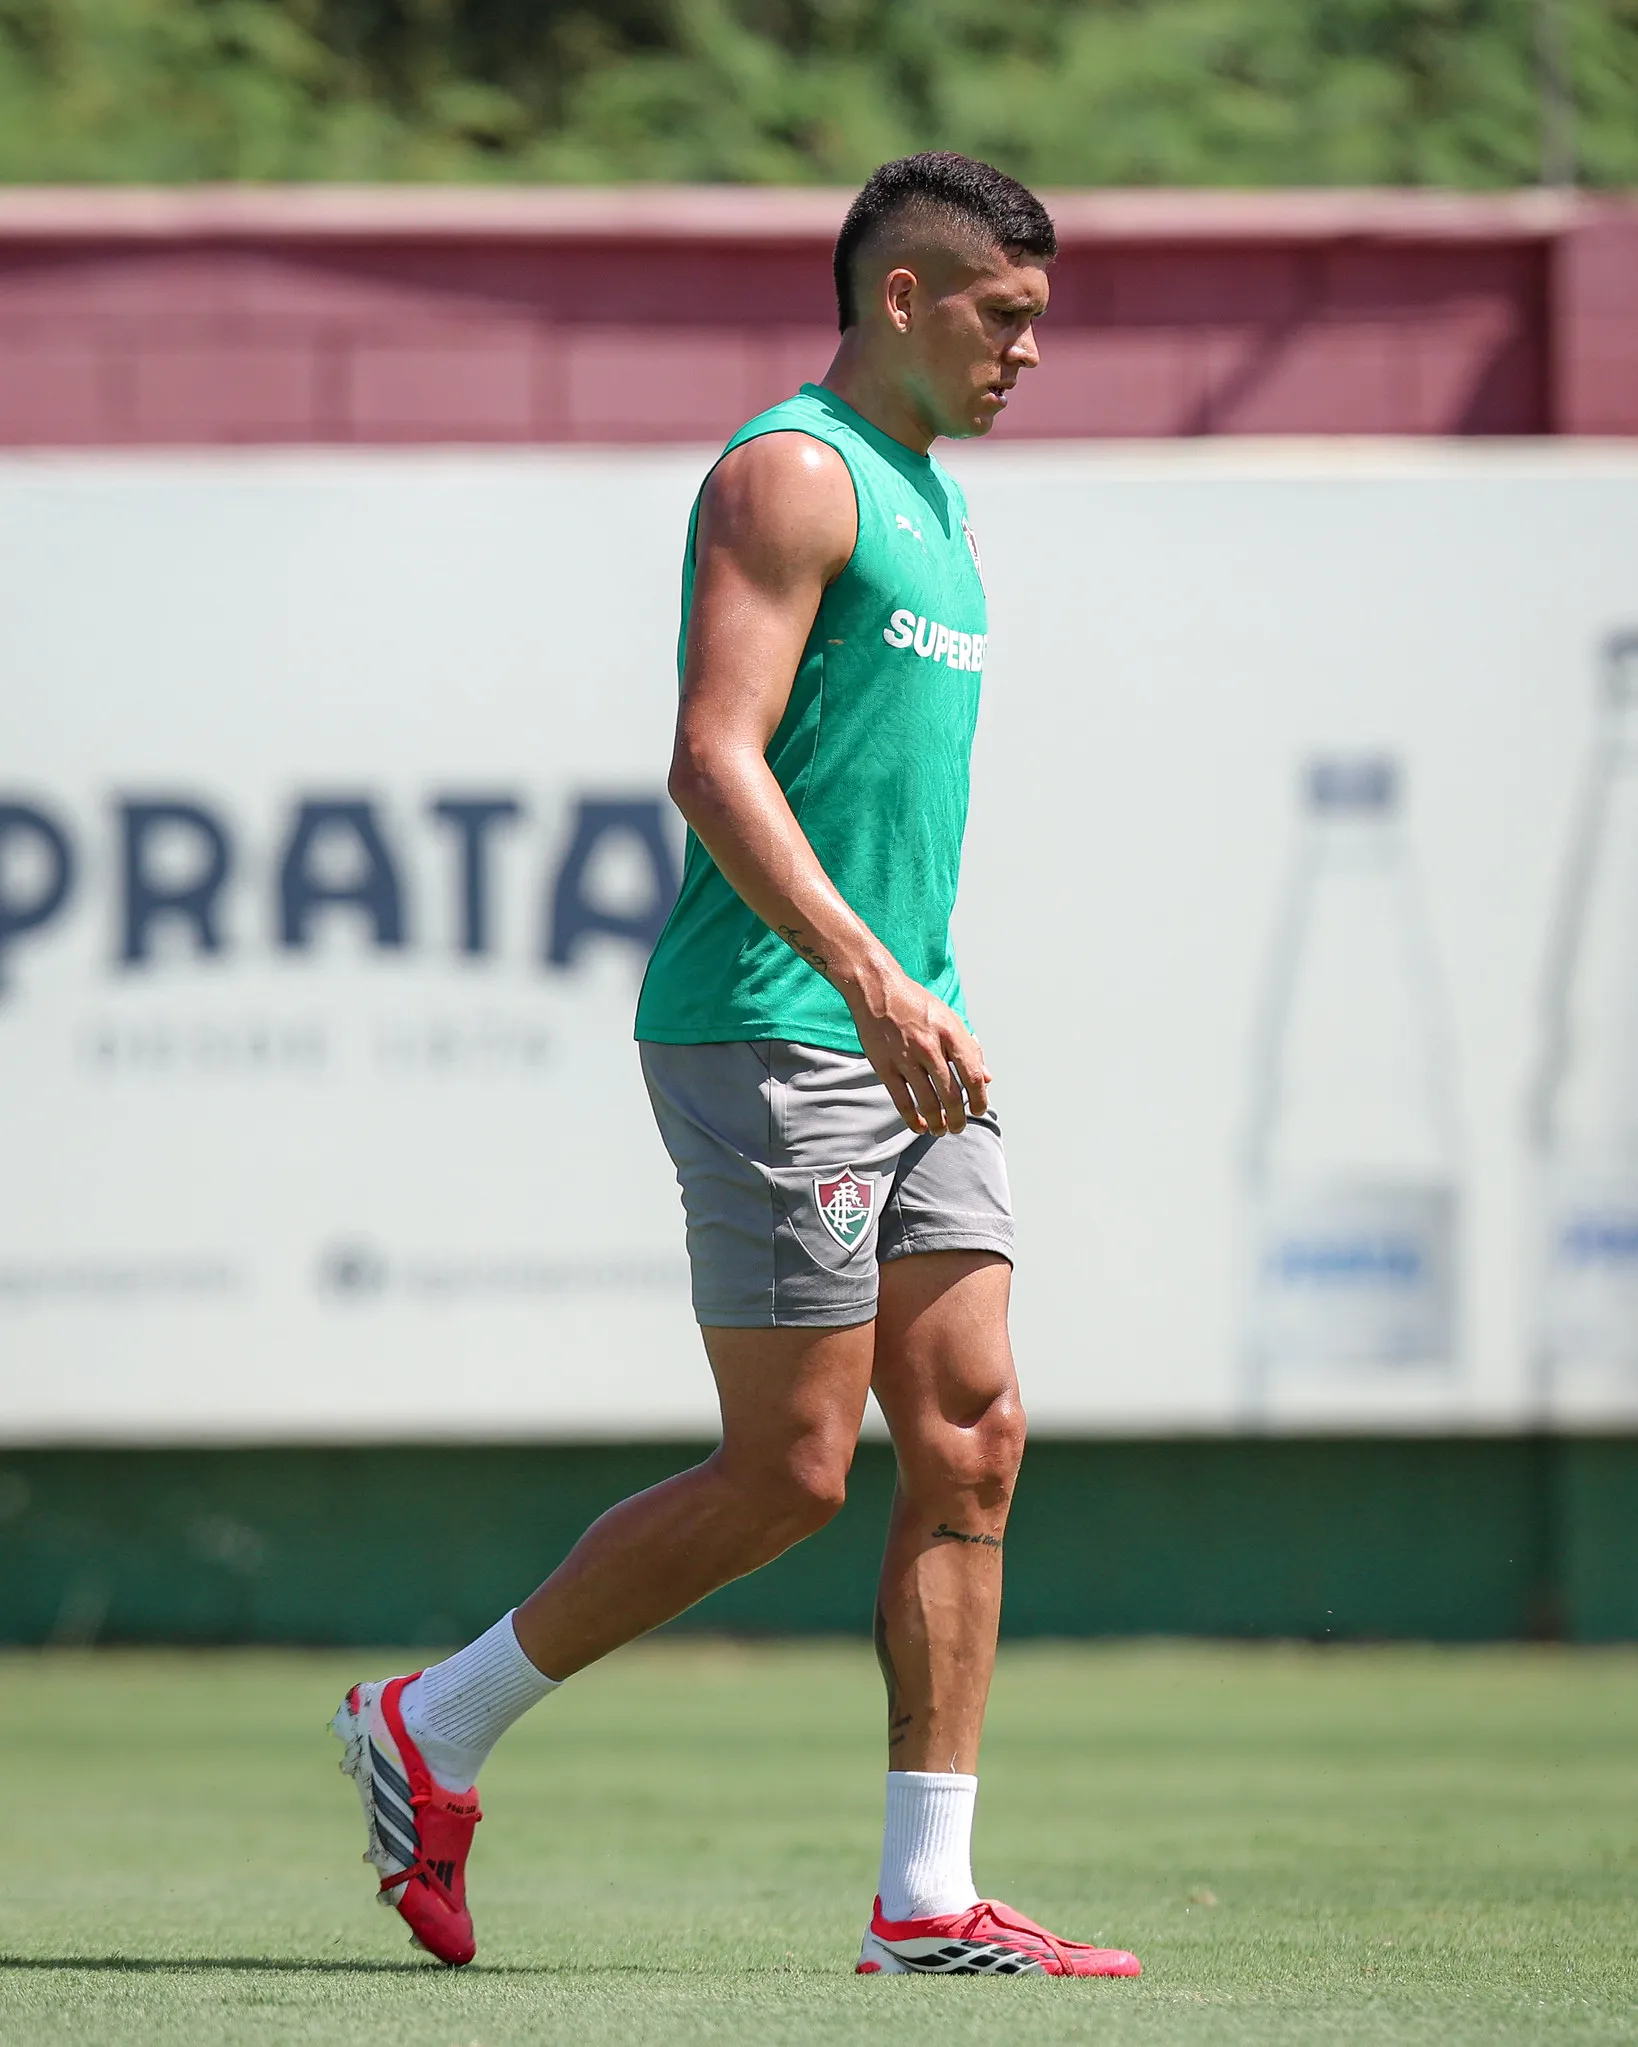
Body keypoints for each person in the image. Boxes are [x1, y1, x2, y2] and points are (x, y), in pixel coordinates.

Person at [332, 150, 1141, 1983]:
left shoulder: (931, 501)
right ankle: (428, 1726)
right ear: (904, 298)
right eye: (1003, 319)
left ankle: (927, 1903)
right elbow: (714, 759)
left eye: (1041, 322)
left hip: (903, 1026)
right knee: (789, 1470)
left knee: (972, 1439)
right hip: (781, 1023)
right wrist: (867, 979)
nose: (1029, 354)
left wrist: (904, 992)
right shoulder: (793, 470)